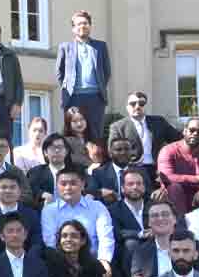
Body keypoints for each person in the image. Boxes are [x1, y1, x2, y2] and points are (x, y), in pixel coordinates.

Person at [40, 167, 114, 277]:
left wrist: (104, 260)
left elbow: (106, 236)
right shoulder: (49, 210)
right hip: (61, 264)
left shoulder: (97, 207)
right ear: (57, 186)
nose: (68, 188)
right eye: (63, 184)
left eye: (73, 183)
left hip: (93, 261)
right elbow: (50, 240)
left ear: (83, 184)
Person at [55, 10, 112, 138]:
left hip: (95, 97)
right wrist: (68, 87)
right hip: (73, 97)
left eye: (85, 23)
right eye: (79, 24)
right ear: (73, 28)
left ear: (90, 26)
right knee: (73, 133)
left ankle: (95, 157)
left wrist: (99, 88)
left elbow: (106, 71)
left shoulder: (100, 46)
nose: (82, 26)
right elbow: (60, 72)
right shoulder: (66, 47)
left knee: (95, 133)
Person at [109, 91, 180, 177]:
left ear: (146, 106)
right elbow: (113, 151)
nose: (137, 106)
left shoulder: (159, 122)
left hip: (157, 168)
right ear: (127, 107)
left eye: (141, 104)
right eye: (133, 104)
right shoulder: (118, 127)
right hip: (132, 169)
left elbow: (178, 140)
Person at [0, 171, 43, 260]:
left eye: (12, 187)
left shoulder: (31, 214)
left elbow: (36, 242)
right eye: (4, 187)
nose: (8, 191)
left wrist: (28, 261)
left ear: (19, 191)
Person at [108, 165, 153, 276]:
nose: (135, 187)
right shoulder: (113, 209)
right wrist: (140, 234)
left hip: (155, 246)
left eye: (139, 184)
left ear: (144, 186)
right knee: (131, 244)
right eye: (130, 184)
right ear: (122, 188)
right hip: (128, 253)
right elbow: (117, 232)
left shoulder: (154, 205)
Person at [27, 133, 80, 206]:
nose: (57, 150)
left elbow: (91, 185)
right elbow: (29, 188)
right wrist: (42, 194)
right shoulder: (36, 172)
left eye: (60, 147)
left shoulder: (77, 170)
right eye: (52, 148)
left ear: (66, 152)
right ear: (45, 152)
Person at [89, 137, 138, 205]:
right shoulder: (99, 173)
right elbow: (91, 193)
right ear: (110, 153)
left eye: (126, 149)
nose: (123, 153)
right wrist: (101, 193)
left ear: (132, 152)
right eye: (118, 150)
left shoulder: (141, 172)